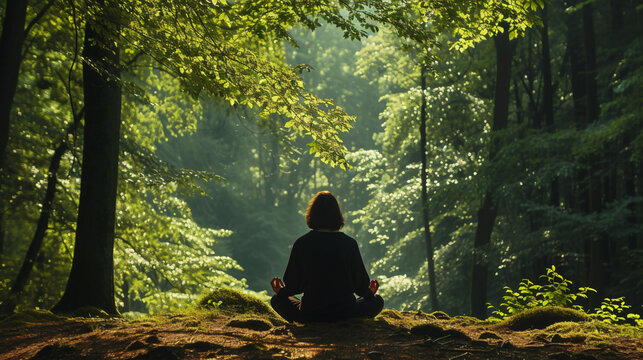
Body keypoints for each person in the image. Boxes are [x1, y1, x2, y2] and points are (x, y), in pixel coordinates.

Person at [270, 191, 384, 322]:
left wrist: (281, 292)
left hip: (310, 314)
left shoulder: (302, 243)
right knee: (378, 300)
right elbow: (359, 286)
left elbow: (294, 286)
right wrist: (370, 293)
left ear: (312, 215)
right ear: (337, 215)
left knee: (276, 300)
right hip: (345, 312)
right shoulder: (349, 243)